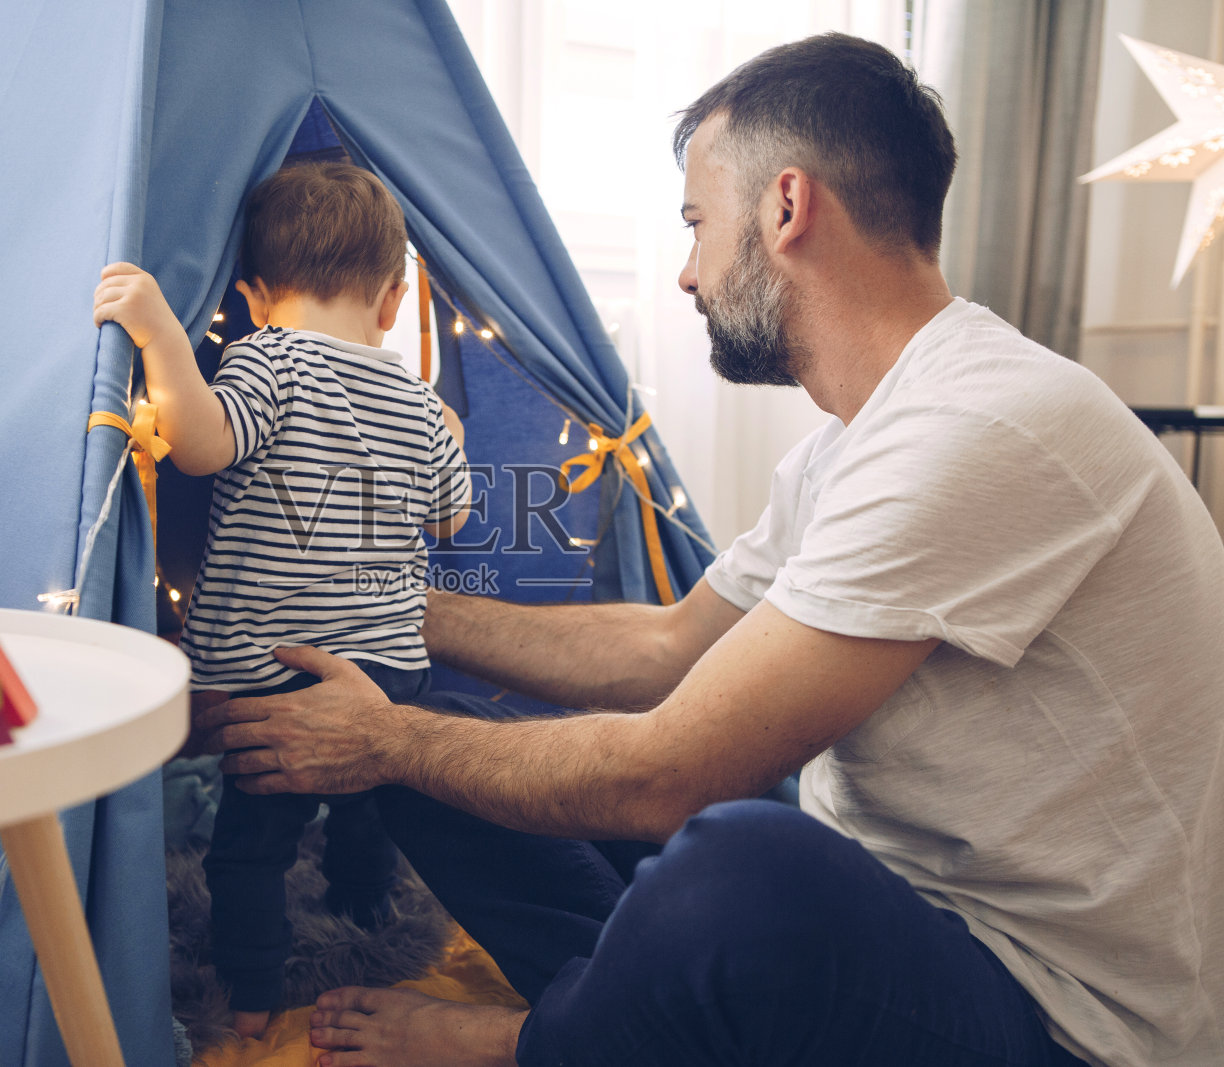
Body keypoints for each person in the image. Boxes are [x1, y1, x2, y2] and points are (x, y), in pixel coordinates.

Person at [194, 33, 1224, 1067]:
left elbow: (668, 773)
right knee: (454, 744)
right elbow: (664, 646)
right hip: (887, 903)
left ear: (785, 207)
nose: (685, 274)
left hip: (1054, 1017)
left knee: (731, 856)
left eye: (696, 225)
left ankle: (531, 1042)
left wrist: (380, 739)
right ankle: (624, 1020)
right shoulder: (854, 441)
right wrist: (386, 608)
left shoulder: (978, 426)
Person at [92, 160, 471, 1039]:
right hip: (388, 667)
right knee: (367, 797)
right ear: (389, 302)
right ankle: (364, 904)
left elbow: (199, 443)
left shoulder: (272, 359)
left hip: (275, 670)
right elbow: (450, 517)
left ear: (258, 298)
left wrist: (159, 335)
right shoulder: (417, 400)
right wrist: (448, 434)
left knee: (252, 842)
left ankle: (254, 992)